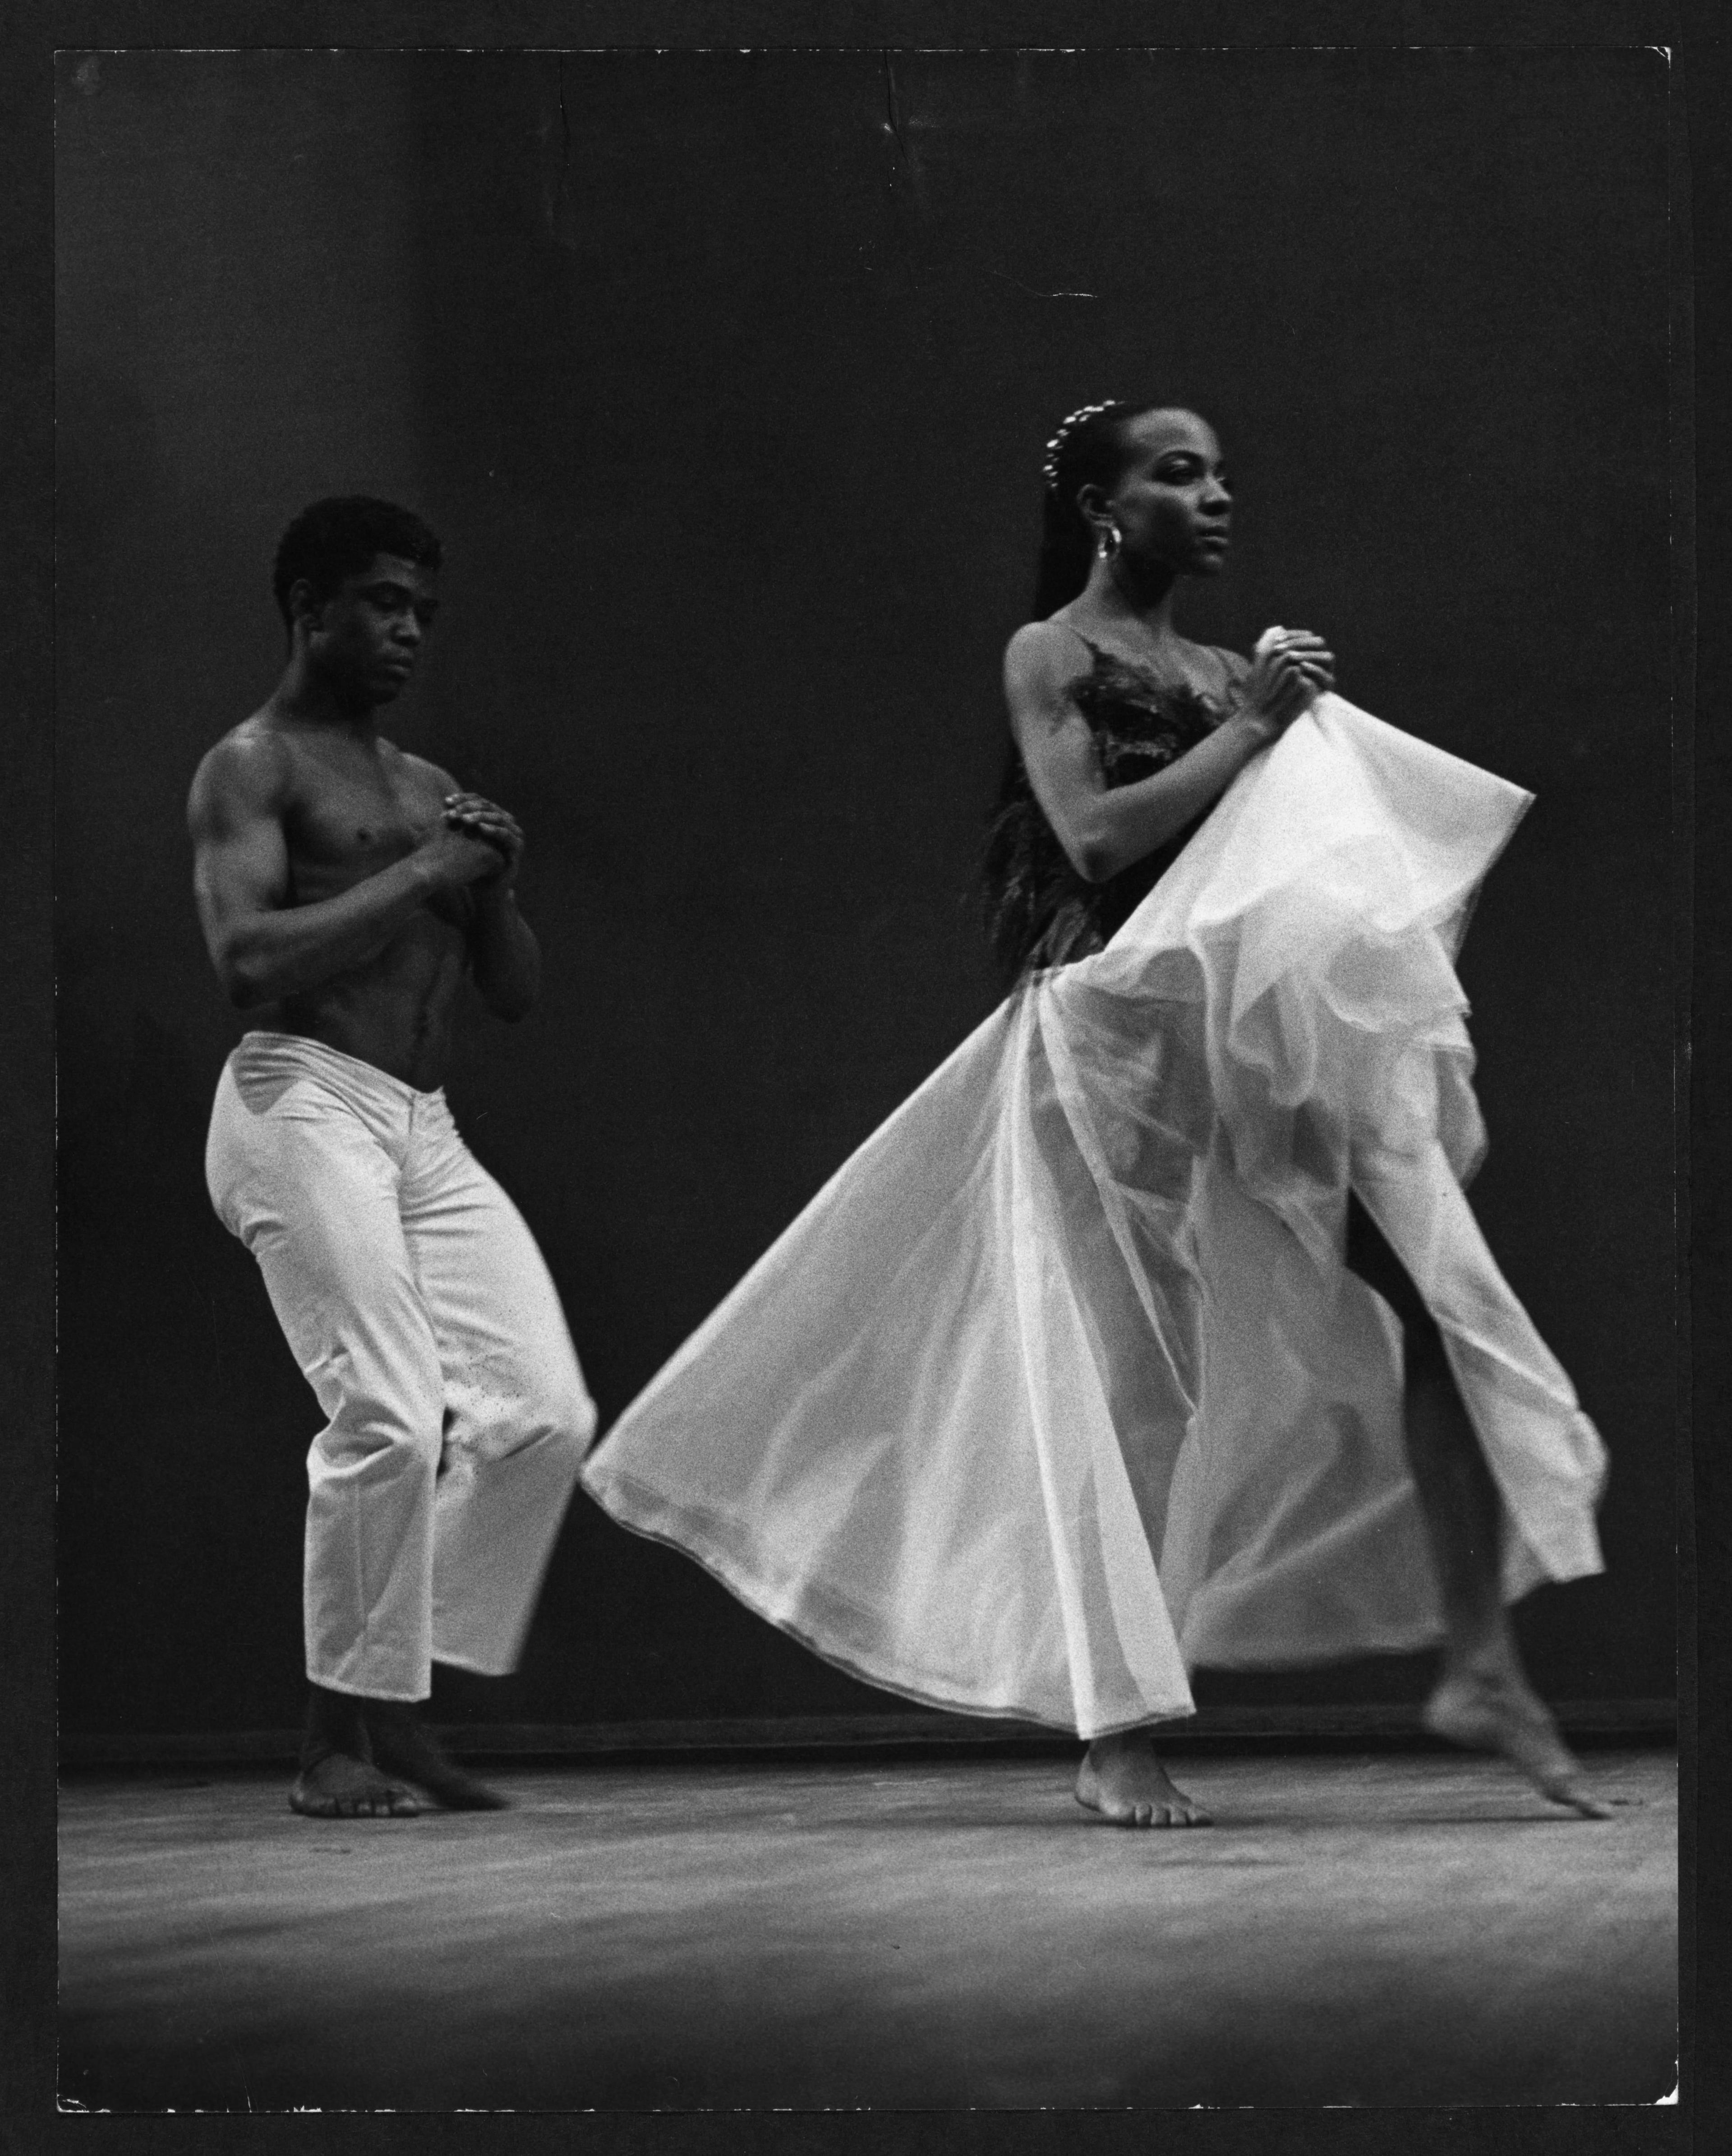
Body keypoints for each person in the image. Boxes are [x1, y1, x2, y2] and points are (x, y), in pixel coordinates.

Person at [580, 404, 1611, 1826]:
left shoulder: (1219, 667)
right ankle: (1114, 1726)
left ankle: (1483, 1667)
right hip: (1109, 1033)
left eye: (1222, 471)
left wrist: (1282, 733)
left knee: (1446, 1308)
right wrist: (1256, 725)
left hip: (1239, 1033)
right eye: (1177, 472)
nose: (1215, 493)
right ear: (1101, 502)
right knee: (1141, 1381)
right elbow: (1096, 837)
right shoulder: (1055, 652)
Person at [189, 496, 595, 1820]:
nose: (407, 627)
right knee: (387, 1410)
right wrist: (430, 873)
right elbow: (248, 964)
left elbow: (517, 995)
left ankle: (399, 1701)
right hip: (297, 1099)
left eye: (421, 607)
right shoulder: (252, 766)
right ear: (309, 606)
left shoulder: (428, 789)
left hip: (420, 1126)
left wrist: (496, 889)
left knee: (542, 1413)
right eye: (379, 602)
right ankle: (333, 1742)